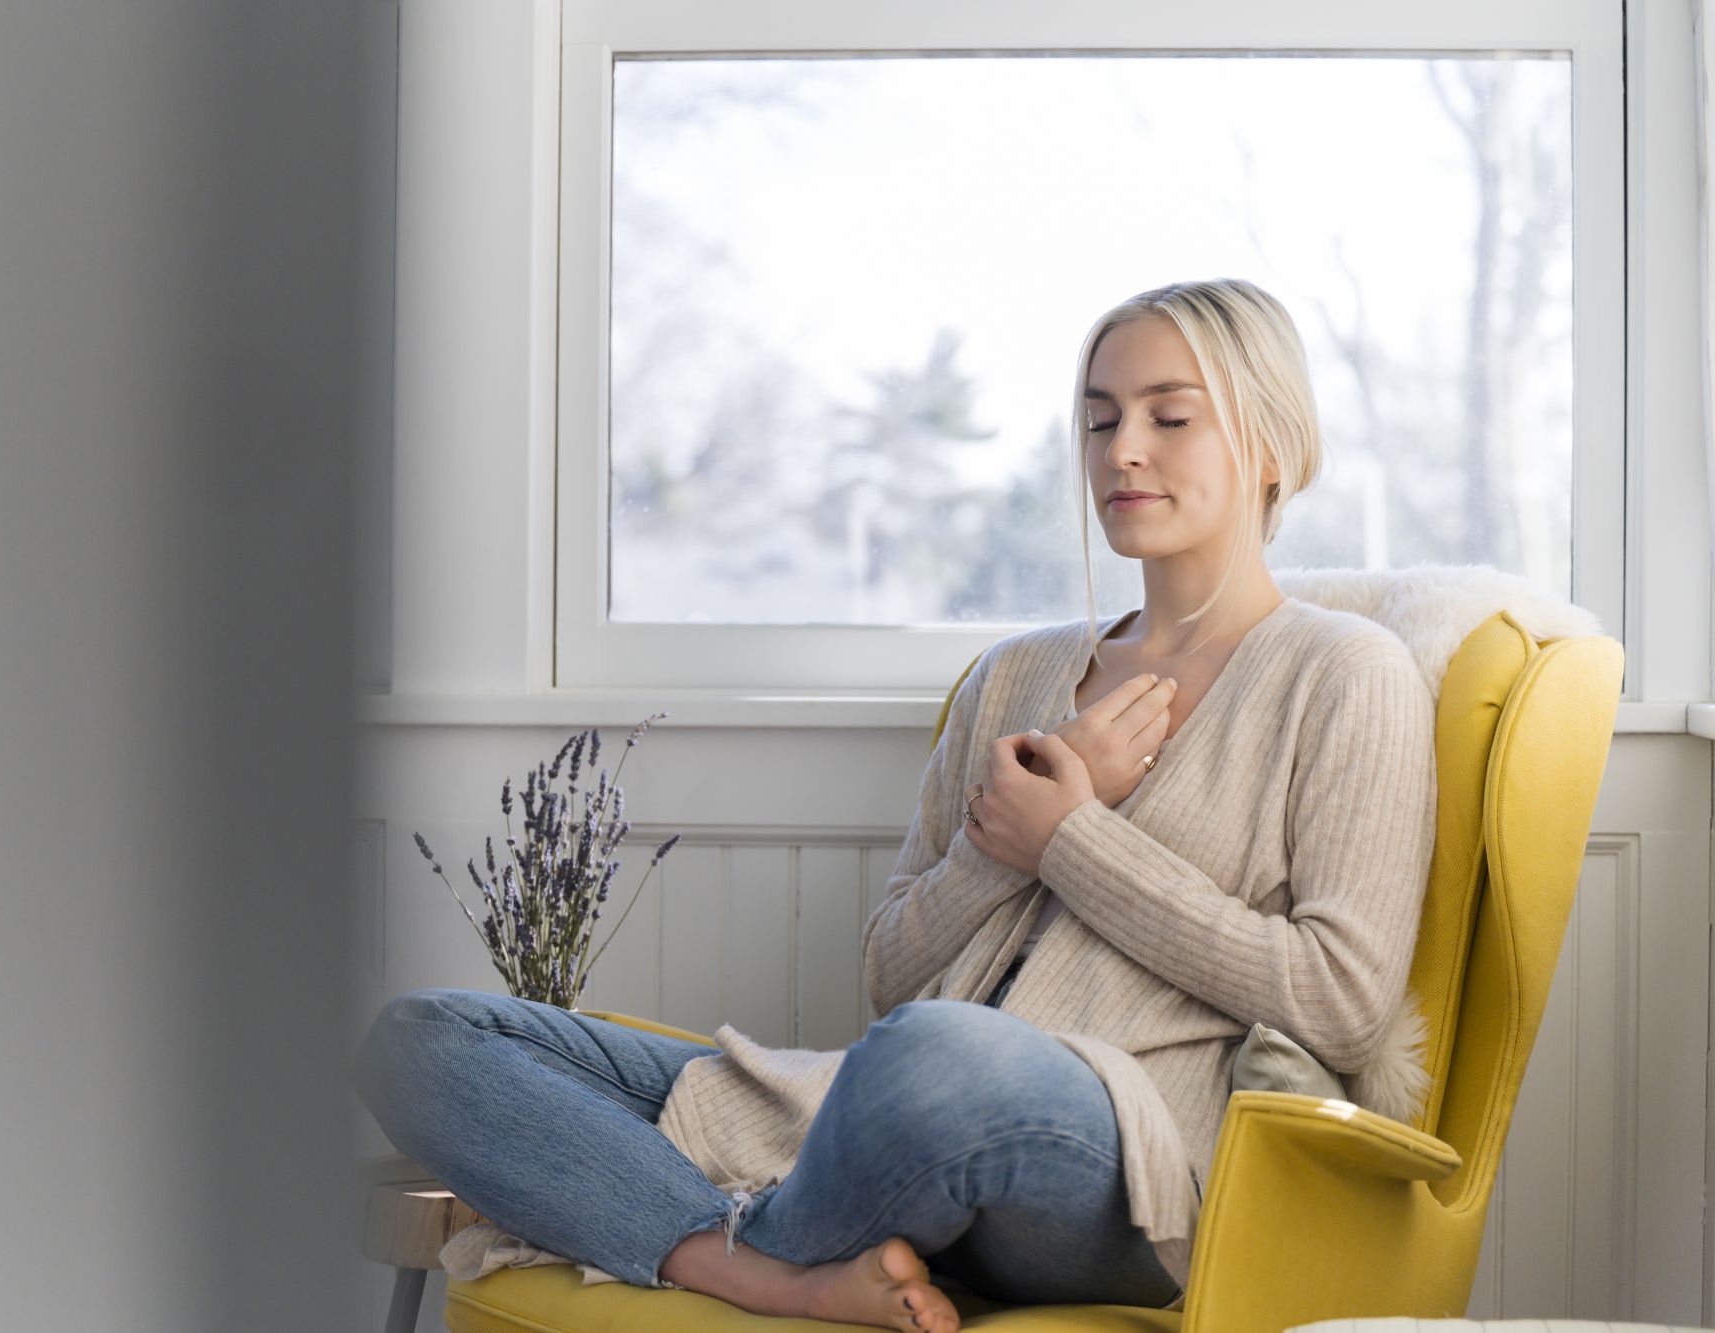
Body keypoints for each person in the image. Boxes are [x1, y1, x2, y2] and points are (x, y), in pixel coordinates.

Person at [352, 278, 1437, 1333]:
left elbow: (1338, 996)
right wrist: (997, 850)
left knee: (937, 1057)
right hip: (877, 1105)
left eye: (1168, 417)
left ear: (1273, 448)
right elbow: (889, 974)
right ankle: (762, 1272)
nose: (1120, 451)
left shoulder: (1346, 673)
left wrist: (1067, 838)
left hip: (1122, 1164)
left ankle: (730, 1237)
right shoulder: (1011, 678)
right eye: (1098, 418)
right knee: (422, 1037)